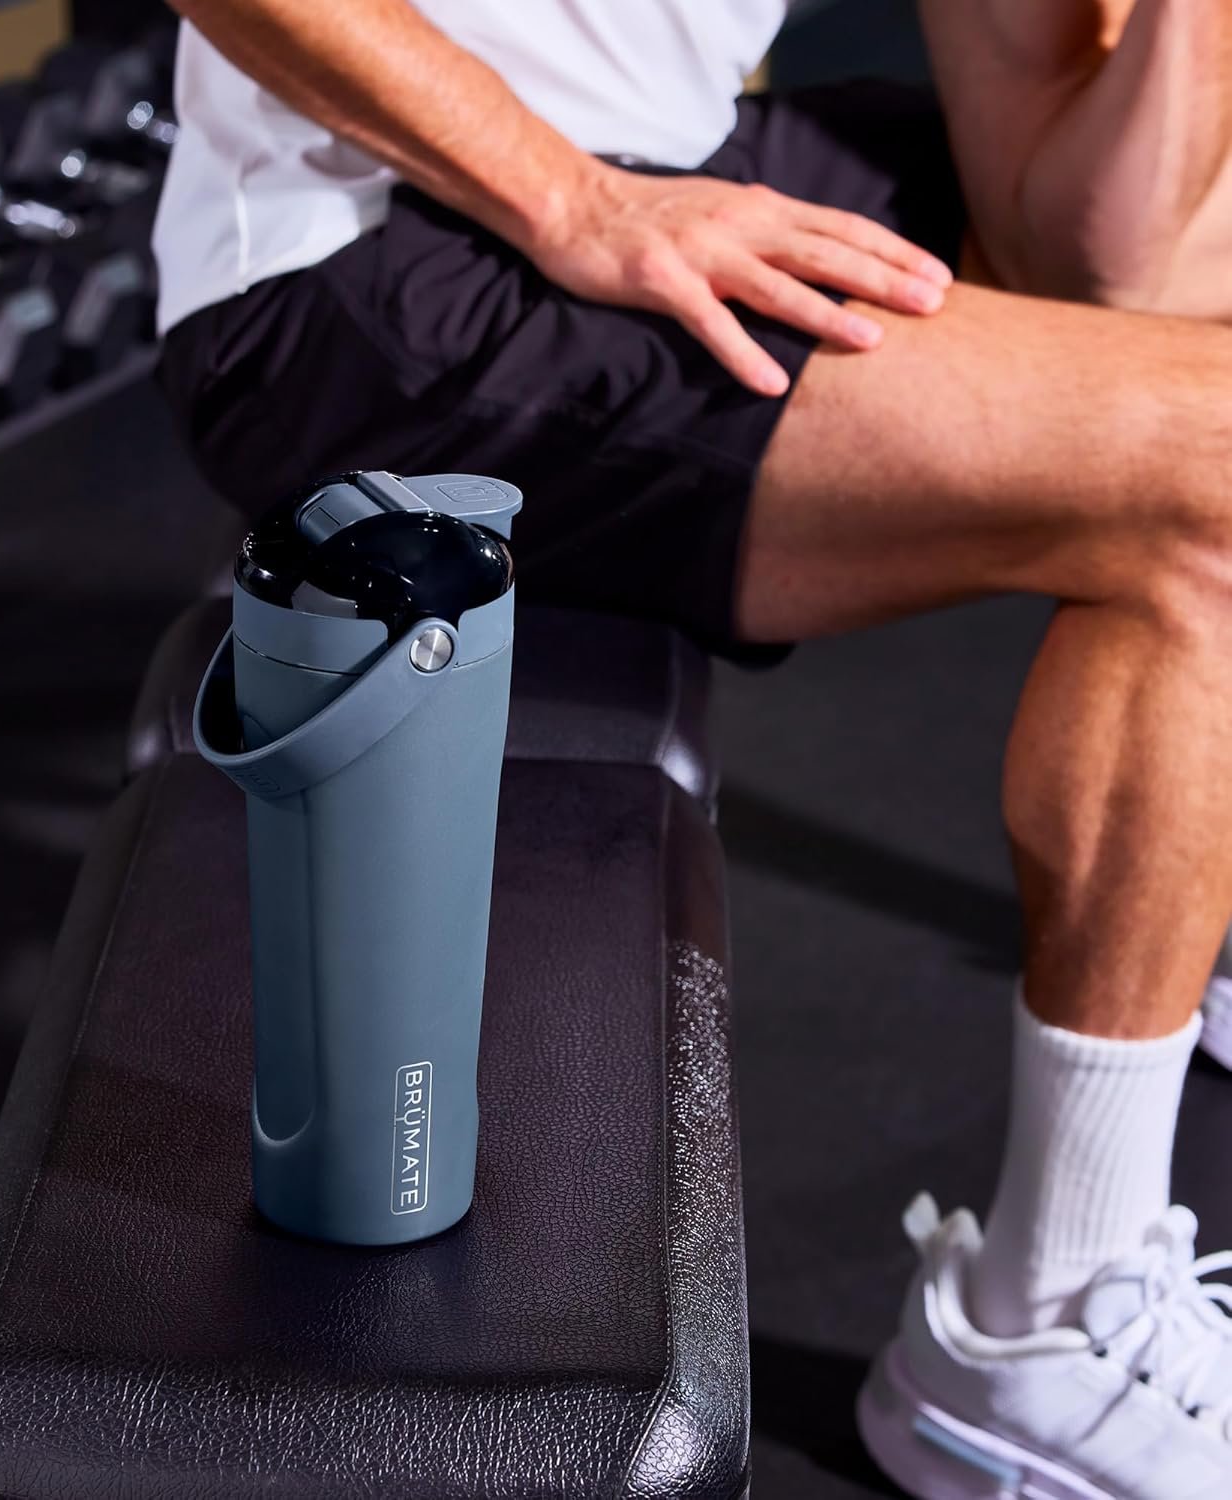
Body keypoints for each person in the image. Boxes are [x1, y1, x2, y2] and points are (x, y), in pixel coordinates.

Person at [149, 1, 1232, 1493]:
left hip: (668, 173)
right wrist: (577, 201)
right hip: (362, 263)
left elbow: (1096, 255)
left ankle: (1185, 892)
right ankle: (1038, 1326)